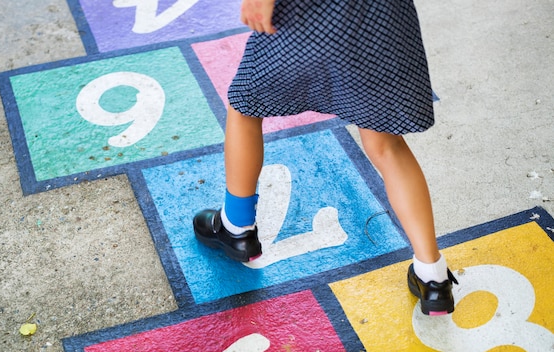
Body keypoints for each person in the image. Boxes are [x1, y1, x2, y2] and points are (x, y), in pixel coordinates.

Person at [193, 0, 458, 315]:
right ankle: (433, 276)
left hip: (312, 14)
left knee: (245, 106)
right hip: (382, 18)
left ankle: (236, 228)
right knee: (386, 145)